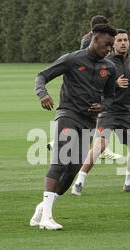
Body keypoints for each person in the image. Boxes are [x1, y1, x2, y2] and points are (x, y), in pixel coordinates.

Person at [30, 24, 117, 230]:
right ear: (95, 40)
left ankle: (43, 208)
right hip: (67, 115)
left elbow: (111, 97)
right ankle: (47, 218)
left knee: (73, 169)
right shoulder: (72, 59)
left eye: (111, 46)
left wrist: (102, 106)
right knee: (60, 162)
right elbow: (42, 76)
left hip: (88, 122)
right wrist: (42, 94)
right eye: (107, 45)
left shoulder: (110, 68)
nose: (109, 49)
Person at [71, 29, 130, 196]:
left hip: (125, 113)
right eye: (119, 40)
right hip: (107, 111)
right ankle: (78, 182)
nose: (123, 43)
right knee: (101, 145)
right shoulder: (105, 62)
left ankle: (129, 183)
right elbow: (96, 85)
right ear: (113, 44)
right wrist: (114, 84)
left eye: (125, 40)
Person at [80, 15, 121, 161]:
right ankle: (99, 148)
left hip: (93, 82)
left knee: (97, 116)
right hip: (93, 84)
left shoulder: (87, 38)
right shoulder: (89, 41)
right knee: (94, 114)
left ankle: (101, 147)